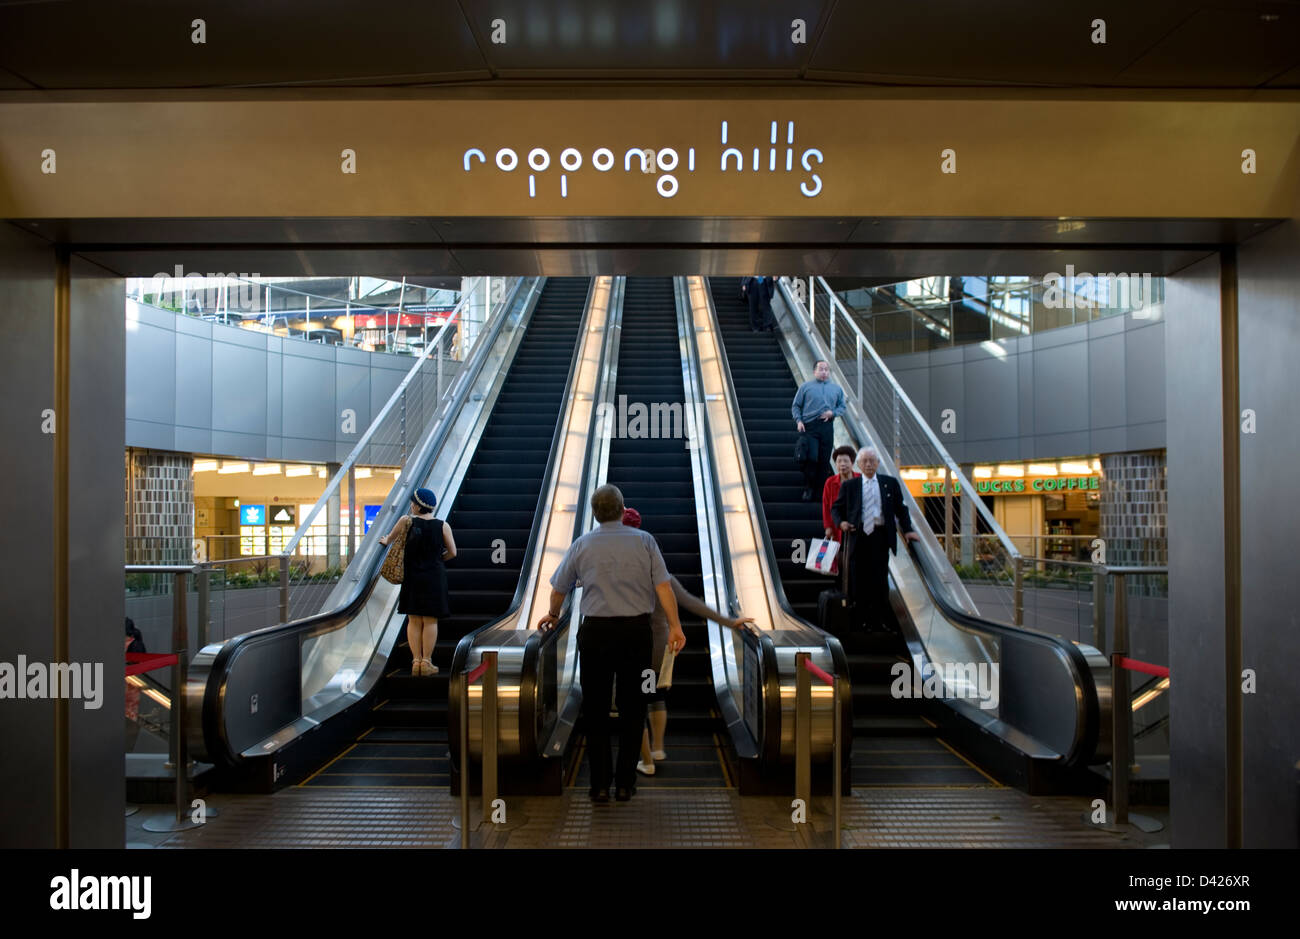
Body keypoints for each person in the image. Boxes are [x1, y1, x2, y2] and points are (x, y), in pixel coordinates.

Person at [537, 485, 685, 804]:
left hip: (595, 636)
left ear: (594, 513)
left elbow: (559, 589)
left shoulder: (583, 544)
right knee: (636, 707)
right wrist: (675, 626)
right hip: (637, 636)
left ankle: (600, 785)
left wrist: (552, 614)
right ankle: (625, 785)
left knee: (596, 710)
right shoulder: (645, 541)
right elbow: (663, 588)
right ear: (620, 510)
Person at [621, 508, 754, 777]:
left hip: (636, 652)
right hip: (660, 652)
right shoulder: (662, 576)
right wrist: (729, 622)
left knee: (636, 707)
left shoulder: (623, 576)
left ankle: (646, 761)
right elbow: (692, 603)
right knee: (655, 699)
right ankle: (658, 747)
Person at [831, 446, 921, 632]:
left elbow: (901, 509)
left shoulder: (890, 483)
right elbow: (836, 509)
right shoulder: (850, 486)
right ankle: (860, 621)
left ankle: (879, 620)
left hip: (880, 537)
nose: (869, 464)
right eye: (865, 461)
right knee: (859, 580)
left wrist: (908, 530)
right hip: (858, 536)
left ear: (878, 463)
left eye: (872, 460)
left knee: (879, 580)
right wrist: (842, 524)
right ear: (859, 464)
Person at [379, 487, 456, 676]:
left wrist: (384, 540)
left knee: (413, 620)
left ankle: (415, 661)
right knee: (430, 621)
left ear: (418, 505)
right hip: (434, 577)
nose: (411, 506)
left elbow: (389, 539)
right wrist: (437, 561)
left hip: (413, 577)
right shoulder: (442, 525)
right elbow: (453, 552)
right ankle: (427, 662)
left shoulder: (406, 522)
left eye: (413, 503)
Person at [792, 359, 846, 502]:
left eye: (826, 369)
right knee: (812, 458)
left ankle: (821, 491)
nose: (824, 372)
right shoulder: (805, 387)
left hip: (827, 426)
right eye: (821, 369)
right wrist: (799, 421)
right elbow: (796, 406)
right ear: (814, 371)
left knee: (824, 460)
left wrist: (832, 413)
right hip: (810, 426)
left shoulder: (836, 389)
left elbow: (842, 407)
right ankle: (809, 487)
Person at [821, 445, 861, 576]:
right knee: (839, 560)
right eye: (839, 461)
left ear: (852, 463)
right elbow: (826, 505)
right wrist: (828, 526)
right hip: (837, 526)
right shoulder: (830, 482)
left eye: (846, 461)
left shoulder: (860, 479)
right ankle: (841, 590)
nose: (842, 464)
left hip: (856, 526)